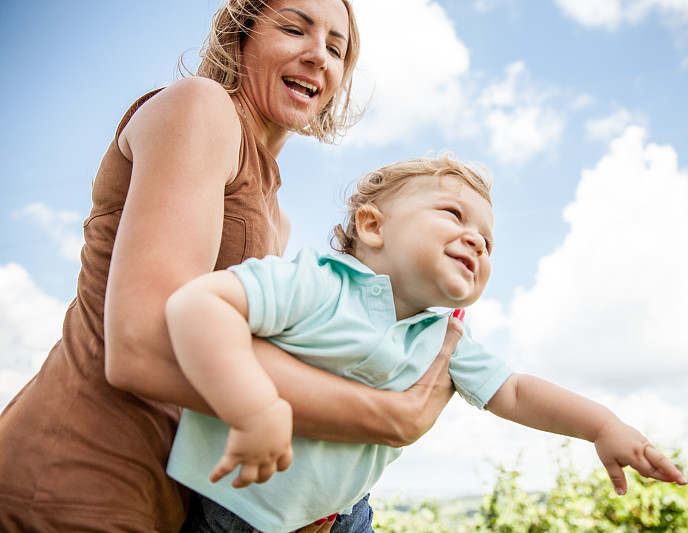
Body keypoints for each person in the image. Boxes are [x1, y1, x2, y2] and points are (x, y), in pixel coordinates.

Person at [0, 2, 464, 532]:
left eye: (336, 49)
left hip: (167, 501)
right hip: (72, 478)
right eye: (294, 29)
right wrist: (389, 417)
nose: (317, 55)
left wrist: (301, 496)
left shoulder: (277, 217)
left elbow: (230, 372)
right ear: (240, 37)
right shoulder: (201, 106)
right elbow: (141, 348)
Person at [164, 153, 688, 533]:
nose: (476, 241)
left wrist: (602, 426)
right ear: (372, 226)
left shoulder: (445, 336)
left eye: (488, 241)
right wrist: (253, 406)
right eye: (454, 215)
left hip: (342, 517)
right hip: (236, 512)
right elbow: (198, 306)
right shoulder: (317, 283)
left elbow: (517, 392)